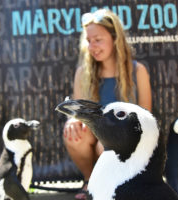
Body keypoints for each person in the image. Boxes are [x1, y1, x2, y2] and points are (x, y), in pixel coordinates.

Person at [63, 9, 152, 200]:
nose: (92, 46)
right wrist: (72, 121)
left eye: (98, 39)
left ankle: (113, 187)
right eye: (88, 41)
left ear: (115, 39)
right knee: (74, 134)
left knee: (107, 145)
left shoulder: (138, 71)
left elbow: (147, 122)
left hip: (124, 146)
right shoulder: (82, 73)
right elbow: (78, 113)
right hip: (97, 140)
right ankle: (90, 181)